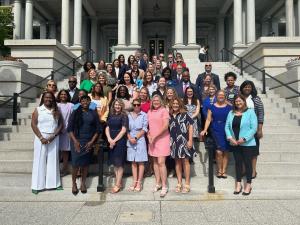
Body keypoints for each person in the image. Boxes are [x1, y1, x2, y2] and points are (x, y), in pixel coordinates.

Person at [68, 95, 101, 195]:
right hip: (76, 141)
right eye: (82, 100)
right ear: (80, 102)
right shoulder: (75, 112)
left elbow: (98, 129)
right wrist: (75, 141)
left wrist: (92, 142)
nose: (85, 102)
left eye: (87, 100)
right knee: (75, 164)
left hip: (88, 141)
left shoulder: (93, 113)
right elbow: (69, 129)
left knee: (85, 164)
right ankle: (74, 184)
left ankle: (83, 183)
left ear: (90, 102)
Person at [225, 94, 258, 195]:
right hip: (235, 143)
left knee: (248, 164)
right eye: (236, 101)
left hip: (248, 143)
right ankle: (238, 184)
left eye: (240, 101)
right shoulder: (231, 113)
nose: (238, 103)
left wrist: (244, 139)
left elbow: (254, 128)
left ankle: (248, 185)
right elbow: (227, 126)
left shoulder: (250, 112)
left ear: (244, 101)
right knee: (238, 164)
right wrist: (230, 138)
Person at [31, 92, 63, 194]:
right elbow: (33, 124)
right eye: (46, 97)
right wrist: (41, 138)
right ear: (43, 99)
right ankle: (36, 186)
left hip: (53, 137)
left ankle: (54, 184)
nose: (48, 99)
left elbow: (61, 125)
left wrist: (53, 136)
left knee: (53, 161)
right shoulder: (38, 110)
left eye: (50, 97)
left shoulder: (57, 110)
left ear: (53, 99)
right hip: (41, 138)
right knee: (39, 161)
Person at [200, 90, 232, 178]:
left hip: (227, 130)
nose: (221, 96)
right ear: (216, 96)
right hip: (216, 130)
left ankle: (224, 170)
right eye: (219, 95)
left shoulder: (230, 107)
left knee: (226, 151)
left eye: (222, 95)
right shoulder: (212, 107)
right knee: (218, 151)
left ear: (225, 96)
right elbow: (208, 119)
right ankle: (219, 169)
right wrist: (205, 129)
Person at [169, 96, 195, 193]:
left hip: (184, 141)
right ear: (171, 105)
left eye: (177, 104)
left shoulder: (185, 114)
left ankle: (187, 183)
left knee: (185, 161)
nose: (175, 105)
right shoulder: (170, 116)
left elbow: (191, 126)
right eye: (173, 104)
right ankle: (179, 182)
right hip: (174, 142)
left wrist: (190, 140)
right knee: (177, 162)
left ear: (180, 104)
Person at [240, 80, 264, 179]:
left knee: (254, 151)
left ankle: (253, 170)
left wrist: (259, 129)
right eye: (245, 86)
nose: (247, 88)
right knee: (242, 150)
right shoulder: (239, 98)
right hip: (241, 129)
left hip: (253, 129)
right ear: (242, 88)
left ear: (252, 88)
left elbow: (261, 114)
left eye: (249, 87)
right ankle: (244, 169)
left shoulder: (256, 99)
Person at [147, 95, 170, 197]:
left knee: (161, 162)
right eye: (154, 100)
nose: (156, 102)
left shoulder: (164, 110)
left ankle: (165, 186)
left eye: (157, 100)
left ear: (161, 101)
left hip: (162, 139)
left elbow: (165, 126)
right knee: (155, 163)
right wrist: (149, 136)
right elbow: (148, 126)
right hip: (152, 140)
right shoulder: (149, 112)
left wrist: (155, 136)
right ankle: (158, 183)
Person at [105, 99, 128, 193]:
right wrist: (109, 139)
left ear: (122, 106)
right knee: (115, 163)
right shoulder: (110, 115)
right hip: (111, 140)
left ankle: (117, 184)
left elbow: (123, 130)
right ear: (113, 106)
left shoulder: (124, 116)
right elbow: (107, 127)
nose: (117, 106)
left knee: (119, 163)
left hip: (120, 141)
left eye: (119, 105)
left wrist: (114, 140)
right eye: (116, 105)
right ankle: (119, 182)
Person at [127, 98, 148, 192]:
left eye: (138, 104)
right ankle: (134, 181)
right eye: (134, 104)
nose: (136, 106)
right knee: (133, 162)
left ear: (140, 105)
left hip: (140, 138)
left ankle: (139, 182)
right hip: (130, 138)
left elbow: (144, 128)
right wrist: (129, 138)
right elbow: (126, 128)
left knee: (141, 162)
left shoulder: (144, 115)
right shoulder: (128, 115)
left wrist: (135, 138)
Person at [57, 90, 74, 176]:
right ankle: (56, 169)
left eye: (65, 94)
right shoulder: (56, 105)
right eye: (61, 94)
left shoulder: (71, 105)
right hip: (57, 131)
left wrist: (67, 128)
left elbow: (73, 118)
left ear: (67, 96)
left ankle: (65, 168)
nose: (63, 96)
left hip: (67, 131)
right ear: (59, 96)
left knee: (65, 151)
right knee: (57, 150)